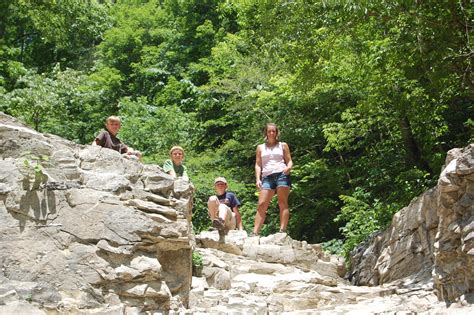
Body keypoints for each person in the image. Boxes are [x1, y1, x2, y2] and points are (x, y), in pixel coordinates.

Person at [252, 123, 293, 236]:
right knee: (262, 204)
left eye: (273, 131)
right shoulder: (260, 147)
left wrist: (289, 167)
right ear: (266, 133)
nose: (271, 133)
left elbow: (289, 160)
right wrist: (257, 179)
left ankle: (282, 230)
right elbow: (258, 164)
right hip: (267, 176)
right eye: (269, 131)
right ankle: (255, 232)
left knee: (282, 202)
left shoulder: (283, 145)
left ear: (276, 132)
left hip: (281, 174)